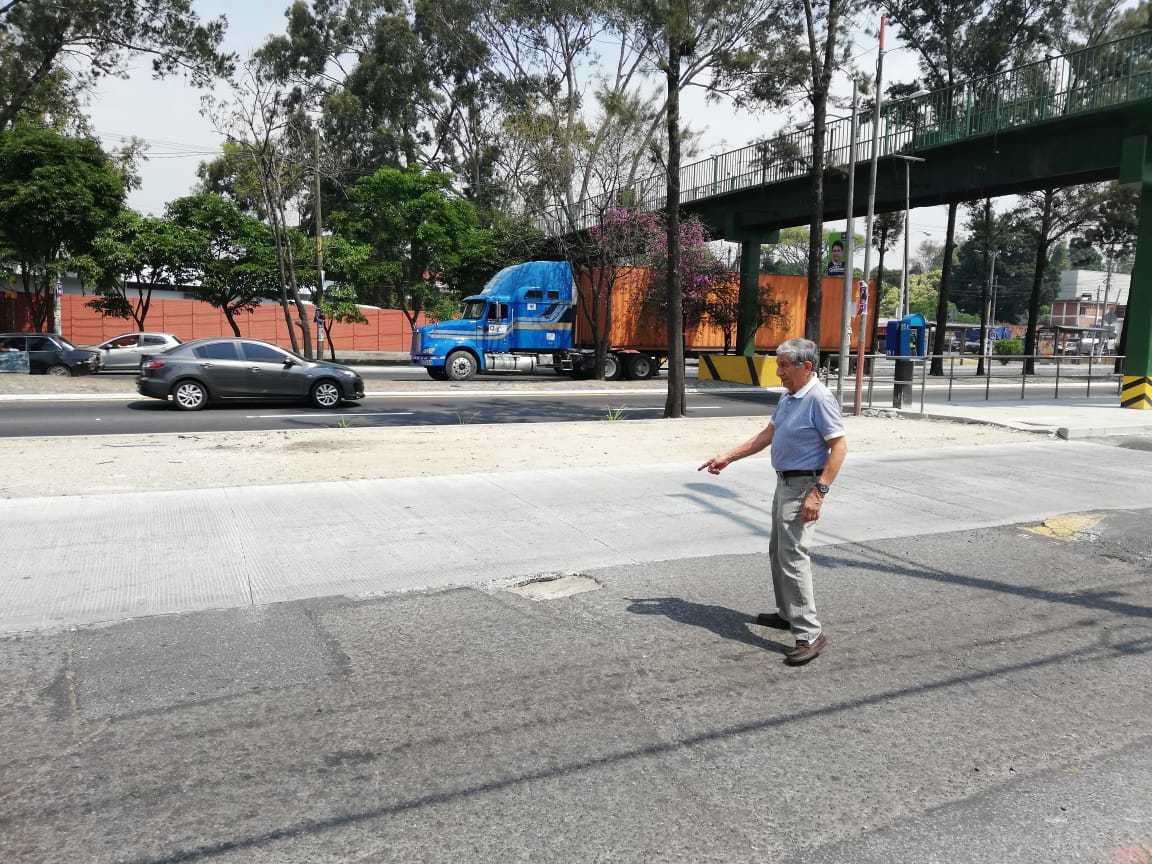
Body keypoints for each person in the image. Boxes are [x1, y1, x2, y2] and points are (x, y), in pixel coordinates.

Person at [698, 338, 847, 666]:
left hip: (805, 484)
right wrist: (728, 457)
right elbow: (767, 435)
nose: (778, 372)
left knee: (793, 556)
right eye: (777, 365)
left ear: (806, 367)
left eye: (783, 366)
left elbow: (839, 447)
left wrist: (818, 493)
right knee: (777, 550)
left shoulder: (819, 398)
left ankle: (809, 632)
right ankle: (788, 614)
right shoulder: (790, 395)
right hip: (785, 483)